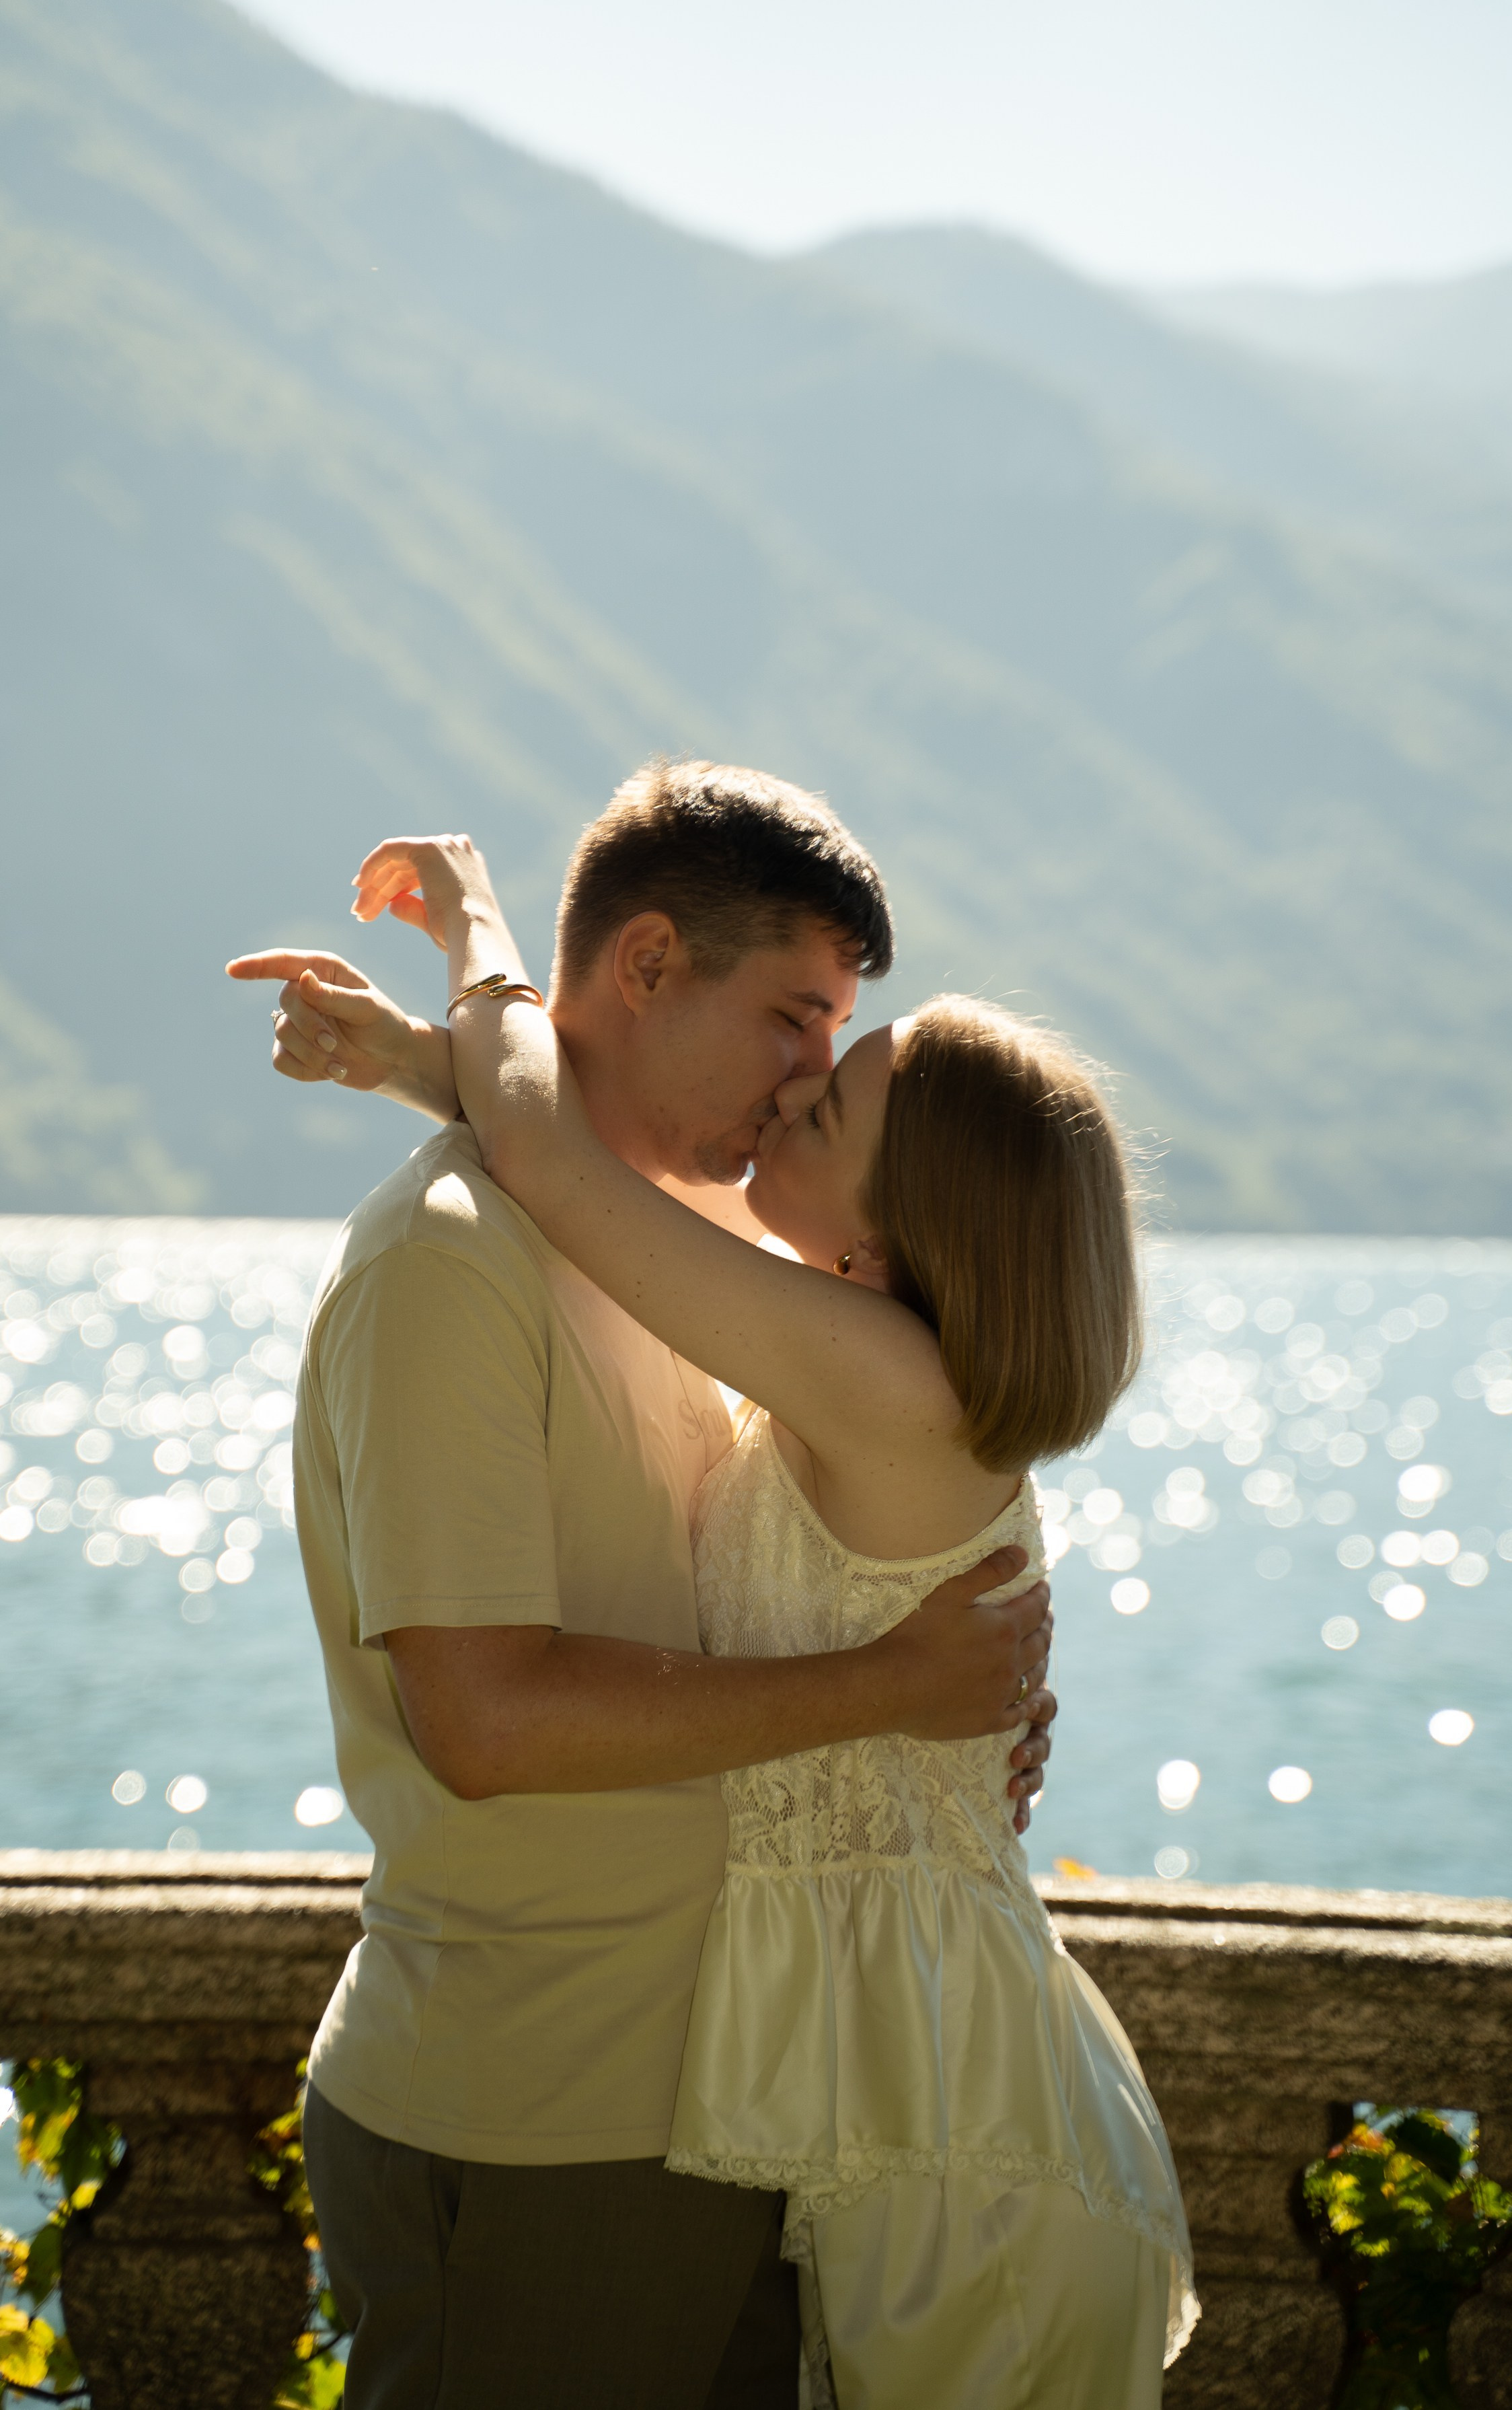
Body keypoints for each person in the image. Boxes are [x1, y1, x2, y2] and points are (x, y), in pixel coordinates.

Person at [289, 819, 1201, 2409]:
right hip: (620, 2098)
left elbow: (561, 1167)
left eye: (834, 1078)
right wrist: (891, 1687)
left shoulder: (818, 1342)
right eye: (798, 1027)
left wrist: (469, 963)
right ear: (648, 964)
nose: (800, 1077)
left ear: (892, 1224)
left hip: (883, 2106)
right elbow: (485, 1720)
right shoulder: (584, 1278)